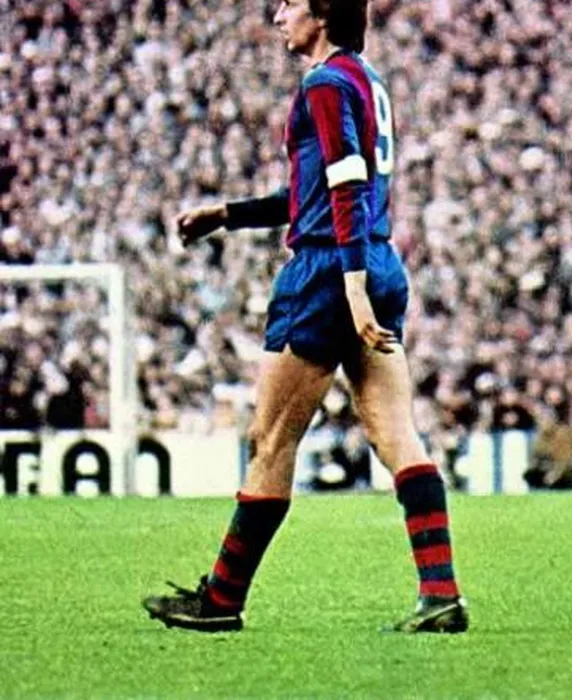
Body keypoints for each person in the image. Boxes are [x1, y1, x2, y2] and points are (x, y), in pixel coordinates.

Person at [142, 0, 467, 634]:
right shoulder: (365, 80)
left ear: (321, 15)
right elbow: (316, 191)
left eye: (290, 2)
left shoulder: (322, 83)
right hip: (377, 257)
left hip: (328, 271)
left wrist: (349, 285)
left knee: (270, 441)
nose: (277, 15)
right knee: (397, 434)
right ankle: (441, 593)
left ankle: (222, 600)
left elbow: (344, 182)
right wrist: (229, 215)